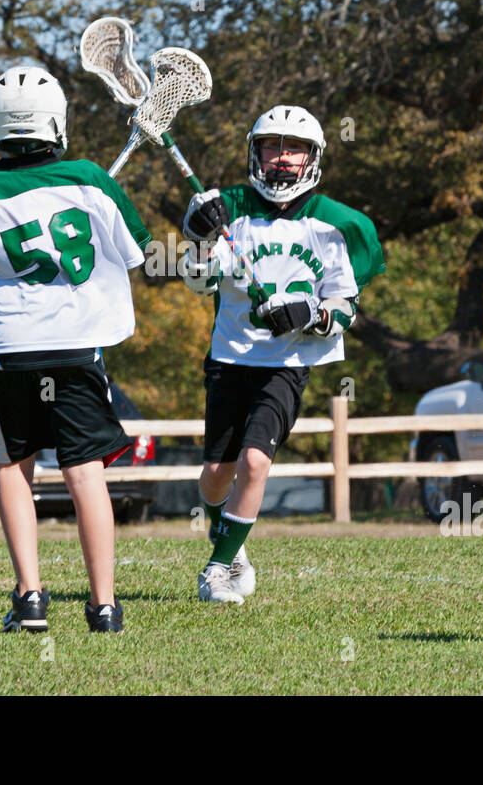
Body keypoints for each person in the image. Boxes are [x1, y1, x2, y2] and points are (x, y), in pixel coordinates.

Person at [0, 65, 151, 634]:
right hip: (78, 350)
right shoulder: (91, 178)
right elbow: (140, 253)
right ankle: (104, 606)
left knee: (14, 466)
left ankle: (30, 598)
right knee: (85, 472)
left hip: (13, 350)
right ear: (57, 120)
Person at [179, 104, 384, 604]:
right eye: (272, 146)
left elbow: (346, 304)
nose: (282, 158)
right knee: (214, 477)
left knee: (254, 461)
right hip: (230, 358)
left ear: (312, 158)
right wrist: (200, 238)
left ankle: (219, 566)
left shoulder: (340, 224)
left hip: (286, 365)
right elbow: (195, 280)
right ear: (256, 152)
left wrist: (310, 315)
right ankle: (229, 537)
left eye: (293, 149)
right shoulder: (228, 207)